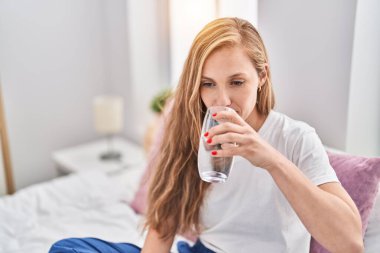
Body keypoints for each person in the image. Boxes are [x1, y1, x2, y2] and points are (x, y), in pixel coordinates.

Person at [49, 17, 363, 253]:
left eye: (237, 82)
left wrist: (271, 161)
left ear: (262, 76)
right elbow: (163, 227)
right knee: (67, 249)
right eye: (208, 84)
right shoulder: (192, 130)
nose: (221, 100)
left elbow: (350, 242)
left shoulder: (295, 138)